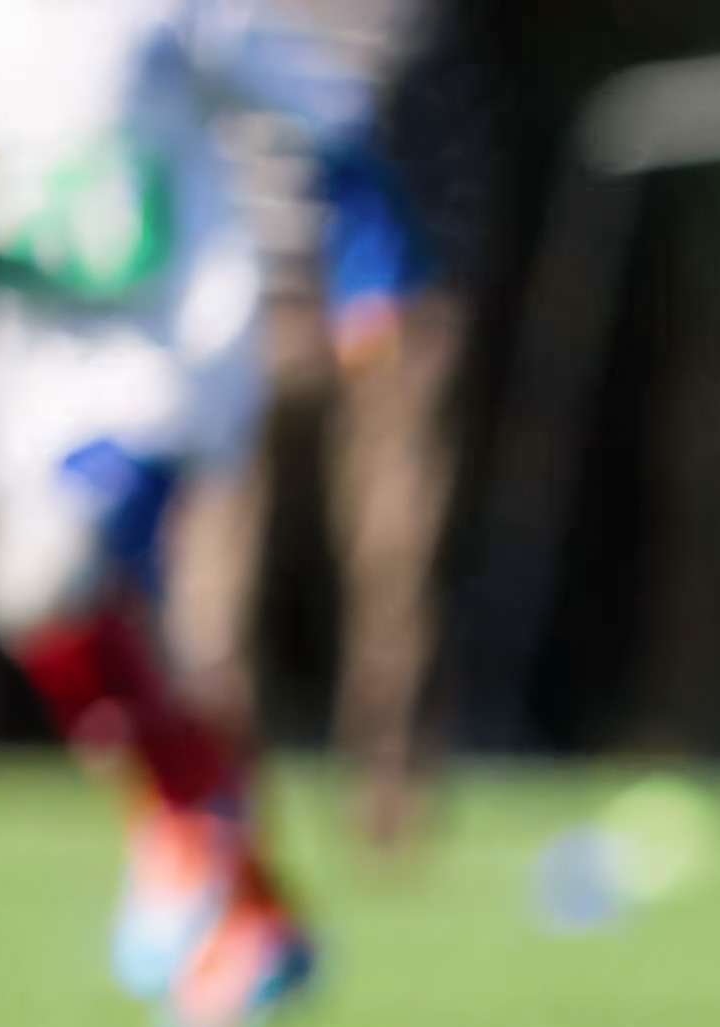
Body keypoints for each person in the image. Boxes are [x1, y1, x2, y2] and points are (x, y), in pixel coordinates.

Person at [0, 0, 417, 1027]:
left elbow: (329, 112)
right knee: (115, 648)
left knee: (39, 579)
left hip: (173, 367)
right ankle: (250, 908)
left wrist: (372, 278)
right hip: (28, 393)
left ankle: (186, 834)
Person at [165, 0, 502, 859]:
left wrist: (415, 292)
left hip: (397, 310)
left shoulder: (411, 17)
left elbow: (452, 148)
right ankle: (210, 806)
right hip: (241, 305)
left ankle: (392, 795)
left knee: (398, 560)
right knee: (215, 572)